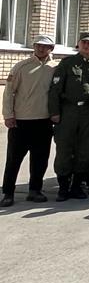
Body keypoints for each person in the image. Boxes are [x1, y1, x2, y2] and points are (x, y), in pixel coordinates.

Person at [47, 32, 89, 201]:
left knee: (85, 150)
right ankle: (63, 187)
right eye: (84, 42)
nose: (87, 45)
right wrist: (54, 112)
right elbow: (55, 89)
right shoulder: (67, 63)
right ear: (78, 44)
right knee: (64, 149)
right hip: (67, 111)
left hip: (88, 113)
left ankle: (77, 185)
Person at [2, 35, 58, 206]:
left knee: (40, 159)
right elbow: (9, 92)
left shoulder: (55, 68)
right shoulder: (21, 67)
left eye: (45, 46)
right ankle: (8, 193)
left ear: (51, 49)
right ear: (33, 47)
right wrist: (8, 115)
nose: (41, 49)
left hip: (44, 121)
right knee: (14, 159)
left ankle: (35, 190)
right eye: (38, 45)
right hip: (21, 121)